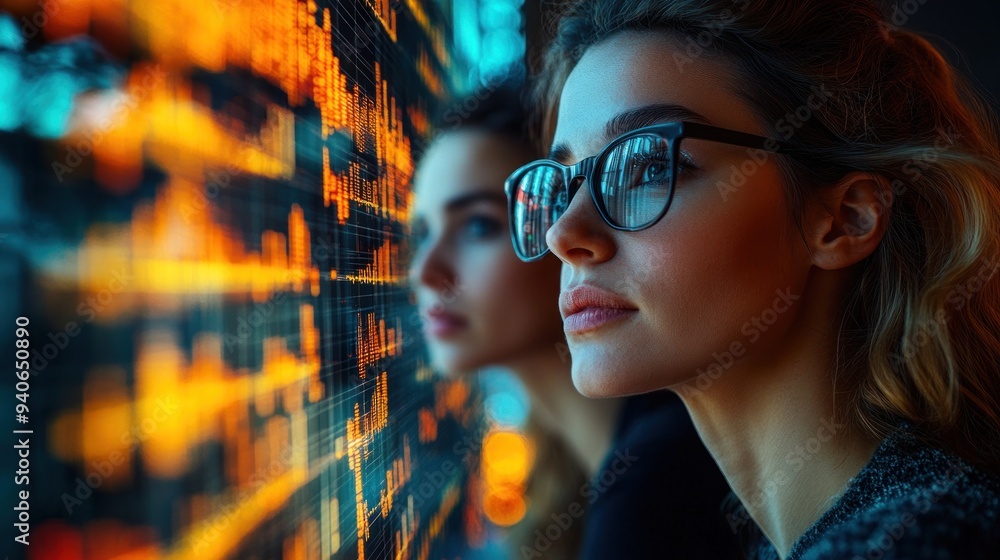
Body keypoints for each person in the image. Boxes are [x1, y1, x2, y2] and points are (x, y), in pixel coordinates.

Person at [505, 1, 1000, 558]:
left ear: (843, 221)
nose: (564, 233)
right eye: (563, 182)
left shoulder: (918, 540)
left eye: (649, 166)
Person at [410, 85, 741, 558]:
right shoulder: (584, 469)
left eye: (479, 225)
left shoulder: (658, 484)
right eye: (423, 233)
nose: (426, 272)